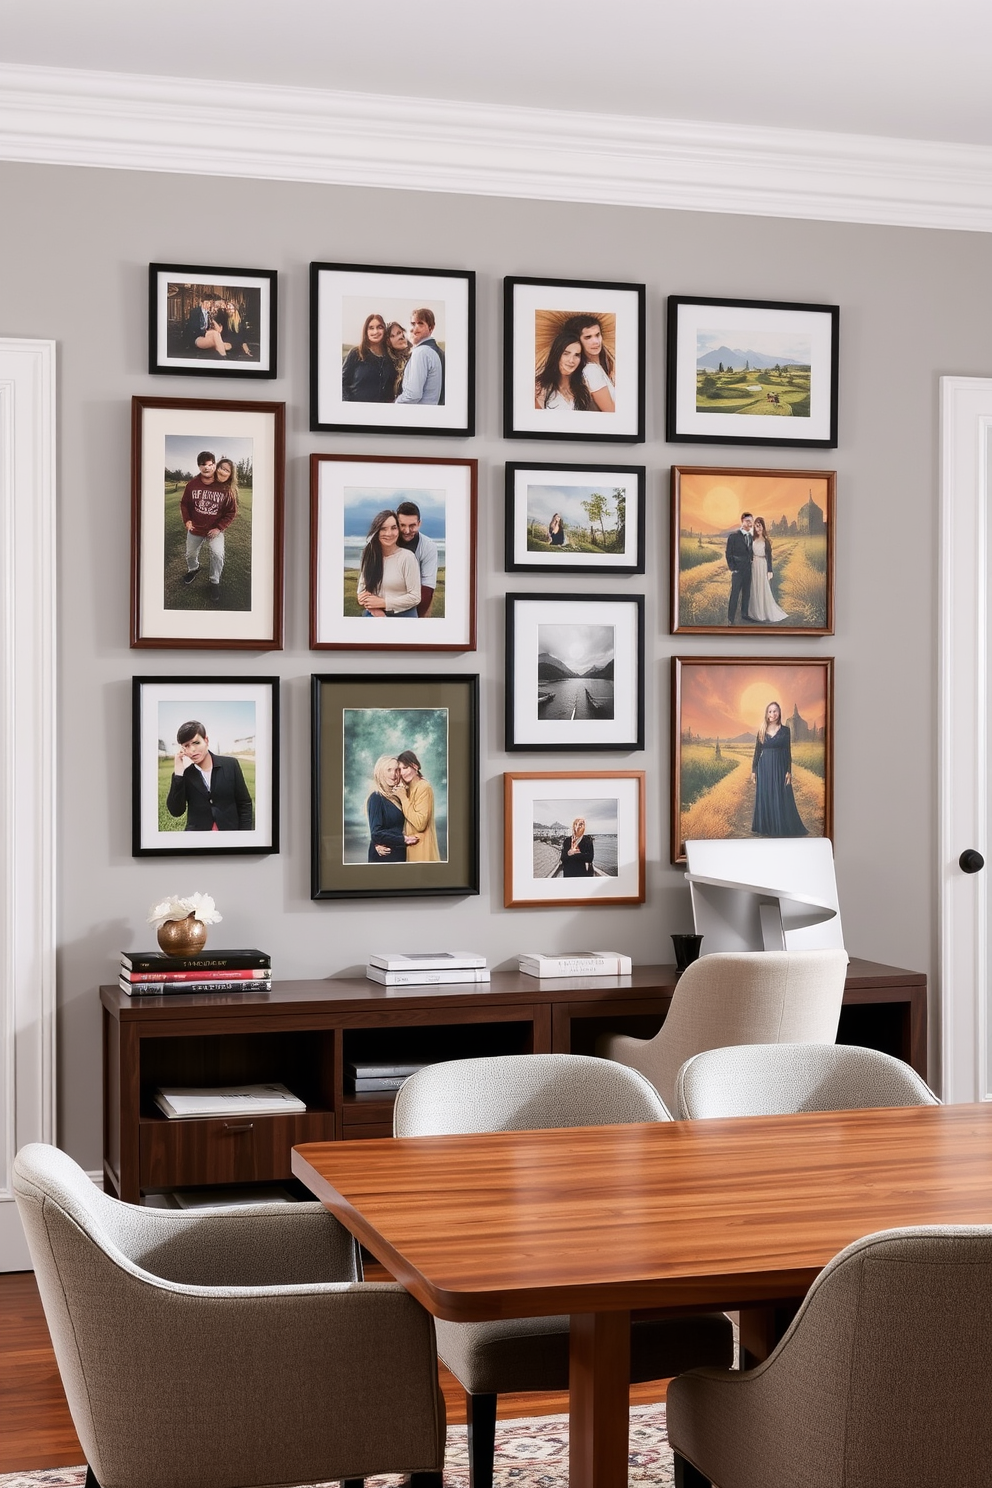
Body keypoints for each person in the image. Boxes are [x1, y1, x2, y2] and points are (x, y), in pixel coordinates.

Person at [166, 719, 253, 831]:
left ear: (206, 740)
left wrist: (244, 837)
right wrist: (178, 773)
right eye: (186, 746)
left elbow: (244, 803)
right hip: (198, 838)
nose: (192, 749)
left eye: (196, 743)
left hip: (230, 834)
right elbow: (176, 811)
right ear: (182, 749)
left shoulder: (230, 765)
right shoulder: (185, 774)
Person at [180, 451, 239, 605]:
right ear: (198, 466)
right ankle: (194, 569)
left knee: (217, 554)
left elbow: (231, 512)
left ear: (215, 465)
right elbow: (184, 504)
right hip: (196, 529)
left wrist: (219, 528)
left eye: (210, 464)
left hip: (215, 531)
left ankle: (214, 582)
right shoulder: (192, 484)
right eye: (203, 465)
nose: (207, 468)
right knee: (190, 554)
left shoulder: (225, 488)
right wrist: (187, 520)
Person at [750, 701, 808, 837]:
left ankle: (781, 826)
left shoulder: (785, 730)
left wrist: (789, 771)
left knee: (781, 794)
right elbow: (757, 752)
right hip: (764, 767)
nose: (772, 714)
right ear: (767, 713)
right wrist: (754, 770)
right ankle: (766, 827)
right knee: (766, 794)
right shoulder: (761, 731)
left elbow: (788, 751)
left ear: (779, 712)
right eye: (770, 711)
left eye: (775, 711)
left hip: (780, 766)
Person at [355, 509, 421, 618]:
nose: (389, 533)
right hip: (374, 615)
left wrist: (384, 603)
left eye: (394, 528)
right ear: (376, 531)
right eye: (383, 529)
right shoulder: (369, 556)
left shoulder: (407, 557)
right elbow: (361, 593)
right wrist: (376, 611)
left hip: (404, 617)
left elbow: (415, 597)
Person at [366, 755, 419, 861]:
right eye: (389, 770)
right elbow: (376, 834)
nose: (394, 774)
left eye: (397, 770)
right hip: (386, 856)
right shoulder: (376, 797)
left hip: (400, 853)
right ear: (380, 772)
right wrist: (404, 839)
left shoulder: (399, 795)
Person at [394, 750, 440, 861]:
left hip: (422, 849)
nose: (402, 773)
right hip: (410, 848)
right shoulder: (408, 789)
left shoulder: (423, 787)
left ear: (415, 766)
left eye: (405, 768)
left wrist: (403, 798)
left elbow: (420, 824)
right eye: (399, 770)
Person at [564, 314, 616, 412]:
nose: (596, 341)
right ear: (576, 341)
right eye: (588, 337)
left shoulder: (595, 367)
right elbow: (611, 411)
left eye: (597, 335)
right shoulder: (591, 370)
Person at [534, 327, 594, 411]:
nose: (571, 360)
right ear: (557, 354)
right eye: (566, 353)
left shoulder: (583, 389)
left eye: (577, 355)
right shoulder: (540, 388)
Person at [396, 500, 439, 617]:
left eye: (412, 525)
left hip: (417, 602)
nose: (407, 530)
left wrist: (416, 621)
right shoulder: (385, 541)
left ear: (419, 523)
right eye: (402, 525)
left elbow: (427, 587)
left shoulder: (428, 546)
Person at [341, 312, 395, 402]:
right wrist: (349, 405)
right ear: (366, 331)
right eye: (371, 328)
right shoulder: (356, 353)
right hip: (357, 410)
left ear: (384, 330)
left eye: (379, 327)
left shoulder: (390, 357)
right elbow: (342, 383)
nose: (375, 332)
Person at [395, 307, 443, 405]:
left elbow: (413, 395)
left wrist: (395, 404)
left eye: (420, 323)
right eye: (413, 324)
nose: (414, 328)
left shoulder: (421, 352)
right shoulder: (439, 352)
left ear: (431, 328)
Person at [747, 516, 789, 623]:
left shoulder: (766, 542)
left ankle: (763, 613)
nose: (759, 528)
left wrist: (770, 571)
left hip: (762, 565)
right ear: (755, 528)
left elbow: (769, 557)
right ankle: (755, 612)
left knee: (762, 587)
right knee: (755, 587)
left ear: (763, 527)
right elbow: (749, 553)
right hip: (754, 565)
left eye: (760, 526)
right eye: (757, 526)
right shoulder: (752, 539)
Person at [725, 511, 754, 624]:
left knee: (746, 593)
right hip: (737, 570)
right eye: (748, 521)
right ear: (742, 521)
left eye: (751, 521)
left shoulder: (751, 537)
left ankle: (744, 614)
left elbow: (750, 552)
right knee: (735, 594)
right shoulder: (733, 536)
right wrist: (733, 568)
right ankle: (730, 618)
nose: (750, 523)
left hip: (748, 570)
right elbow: (728, 553)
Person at [385, 321, 411, 398]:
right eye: (392, 336)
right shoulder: (388, 363)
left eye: (399, 332)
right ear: (388, 342)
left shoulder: (416, 356)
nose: (400, 337)